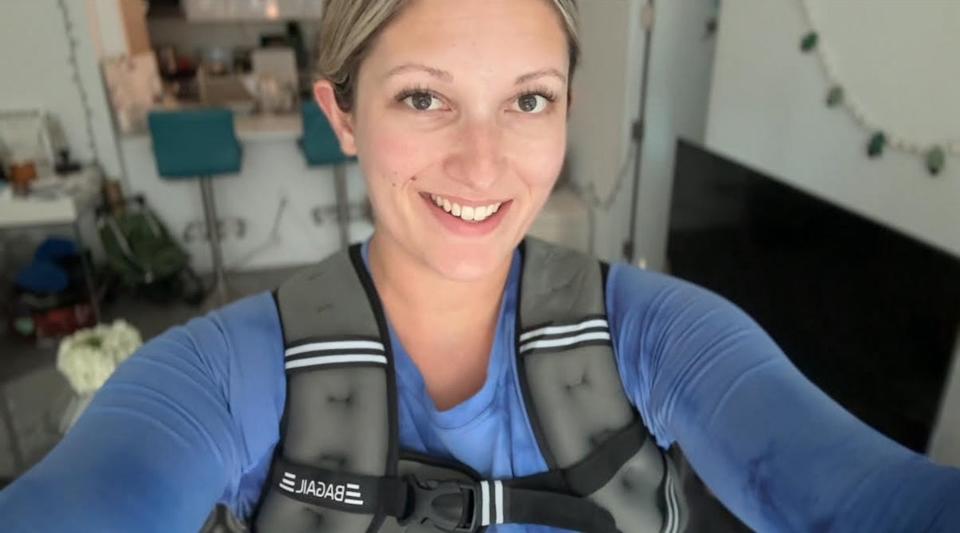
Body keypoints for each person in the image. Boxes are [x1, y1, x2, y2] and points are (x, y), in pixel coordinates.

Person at [2, 0, 959, 531]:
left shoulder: (663, 336)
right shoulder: (221, 374)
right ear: (341, 114)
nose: (485, 162)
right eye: (424, 98)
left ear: (568, 107)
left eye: (529, 101)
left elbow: (859, 498)